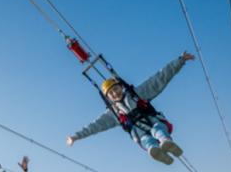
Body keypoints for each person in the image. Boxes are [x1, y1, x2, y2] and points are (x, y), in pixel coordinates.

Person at [66, 51, 196, 165]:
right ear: (108, 98)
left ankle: (165, 141)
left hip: (153, 121)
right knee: (145, 139)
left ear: (121, 87)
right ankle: (154, 149)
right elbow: (95, 126)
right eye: (111, 93)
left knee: (157, 128)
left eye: (116, 89)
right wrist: (75, 137)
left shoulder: (137, 94)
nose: (115, 93)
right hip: (138, 132)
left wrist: (180, 60)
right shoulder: (113, 113)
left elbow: (159, 78)